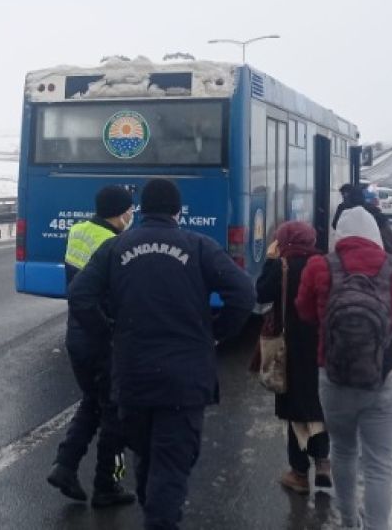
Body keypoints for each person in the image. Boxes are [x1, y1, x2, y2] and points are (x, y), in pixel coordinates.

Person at [69, 178, 256, 530]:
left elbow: (80, 295)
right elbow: (244, 293)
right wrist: (215, 332)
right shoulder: (199, 246)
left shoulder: (116, 248)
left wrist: (110, 333)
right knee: (171, 465)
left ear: (141, 211)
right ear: (177, 211)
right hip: (184, 380)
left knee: (146, 457)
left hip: (133, 376)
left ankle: (154, 512)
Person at [296, 208, 392, 530]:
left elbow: (304, 312)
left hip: (333, 377)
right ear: (374, 235)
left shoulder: (319, 266)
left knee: (343, 453)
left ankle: (348, 521)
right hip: (385, 380)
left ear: (339, 236)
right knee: (379, 466)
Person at [47, 186, 138, 507]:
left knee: (92, 402)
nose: (132, 215)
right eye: (129, 210)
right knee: (115, 415)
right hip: (103, 339)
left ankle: (65, 466)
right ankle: (106, 485)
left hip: (77, 335)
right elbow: (120, 296)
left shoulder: (78, 232)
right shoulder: (113, 245)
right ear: (118, 211)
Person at [256, 221, 331, 495]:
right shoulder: (323, 262)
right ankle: (323, 461)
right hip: (321, 345)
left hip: (291, 345)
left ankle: (299, 473)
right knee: (317, 403)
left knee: (295, 408)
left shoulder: (283, 266)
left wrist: (270, 261)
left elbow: (260, 293)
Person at [333, 184, 392, 258]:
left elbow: (335, 224)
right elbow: (391, 242)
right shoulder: (373, 210)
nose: (344, 197)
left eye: (344, 195)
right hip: (378, 254)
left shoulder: (343, 208)